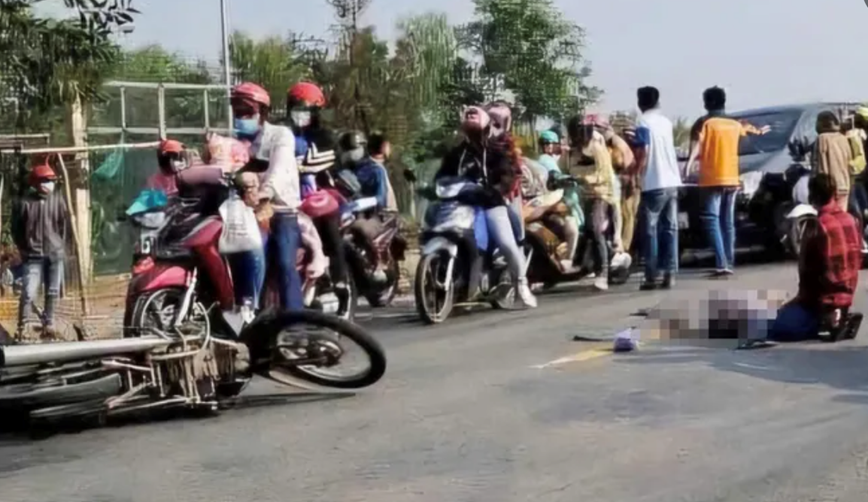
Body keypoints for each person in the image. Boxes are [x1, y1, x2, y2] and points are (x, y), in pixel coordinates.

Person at [436, 105, 537, 308]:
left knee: (506, 242)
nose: (472, 135)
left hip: (491, 204)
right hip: (463, 204)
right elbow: (442, 176)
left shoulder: (496, 151)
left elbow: (507, 175)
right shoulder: (457, 154)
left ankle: (521, 283)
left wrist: (496, 189)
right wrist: (435, 187)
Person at [231, 81, 305, 311]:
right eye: (238, 112)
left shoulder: (280, 136)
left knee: (284, 264)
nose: (241, 117)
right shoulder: (234, 143)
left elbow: (280, 170)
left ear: (263, 113)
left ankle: (296, 324)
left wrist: (265, 191)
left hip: (281, 212)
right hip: (245, 215)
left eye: (247, 112)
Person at [685, 86, 768, 277]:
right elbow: (751, 135)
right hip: (732, 177)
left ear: (707, 103)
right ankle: (729, 261)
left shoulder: (704, 123)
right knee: (727, 221)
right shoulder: (734, 123)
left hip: (711, 178)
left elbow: (698, 145)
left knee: (711, 219)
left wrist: (689, 165)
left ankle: (721, 262)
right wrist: (761, 131)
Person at [769, 173, 862, 341]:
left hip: (822, 298)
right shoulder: (851, 220)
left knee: (776, 327)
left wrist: (797, 300)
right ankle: (837, 315)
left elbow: (807, 270)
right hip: (847, 293)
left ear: (813, 196)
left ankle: (824, 322)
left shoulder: (818, 225)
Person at [287, 82, 350, 303]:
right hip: (290, 196)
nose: (300, 115)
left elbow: (318, 161)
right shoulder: (284, 134)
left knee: (327, 223)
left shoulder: (326, 136)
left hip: (325, 192)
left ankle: (339, 278)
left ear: (316, 111)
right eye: (296, 109)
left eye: (305, 110)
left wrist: (299, 165)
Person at [11, 161, 69, 338]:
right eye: (45, 180)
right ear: (35, 183)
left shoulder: (58, 201)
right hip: (33, 256)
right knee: (29, 292)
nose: (48, 183)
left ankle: (48, 324)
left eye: (51, 180)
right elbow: (17, 230)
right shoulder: (25, 204)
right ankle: (24, 326)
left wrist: (60, 245)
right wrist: (24, 249)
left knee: (52, 291)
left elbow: (64, 227)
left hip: (54, 254)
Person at [633, 86, 682, 290]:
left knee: (651, 230)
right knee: (670, 229)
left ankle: (651, 275)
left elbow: (643, 150)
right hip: (672, 181)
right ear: (657, 102)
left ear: (640, 102)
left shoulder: (642, 122)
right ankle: (670, 273)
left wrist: (636, 174)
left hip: (653, 182)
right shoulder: (666, 122)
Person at [560, 116, 617, 291]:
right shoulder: (570, 153)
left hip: (600, 195)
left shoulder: (597, 149)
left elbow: (604, 175)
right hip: (578, 196)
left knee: (594, 229)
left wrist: (581, 178)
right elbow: (561, 169)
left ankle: (602, 274)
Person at [351, 132, 398, 282]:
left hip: (358, 213)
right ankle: (378, 264)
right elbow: (381, 199)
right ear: (384, 148)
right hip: (380, 215)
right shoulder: (377, 170)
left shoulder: (357, 166)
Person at [812, 111, 853, 211]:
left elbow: (818, 162)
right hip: (844, 183)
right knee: (842, 214)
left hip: (829, 185)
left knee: (828, 216)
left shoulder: (822, 138)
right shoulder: (843, 138)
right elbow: (849, 158)